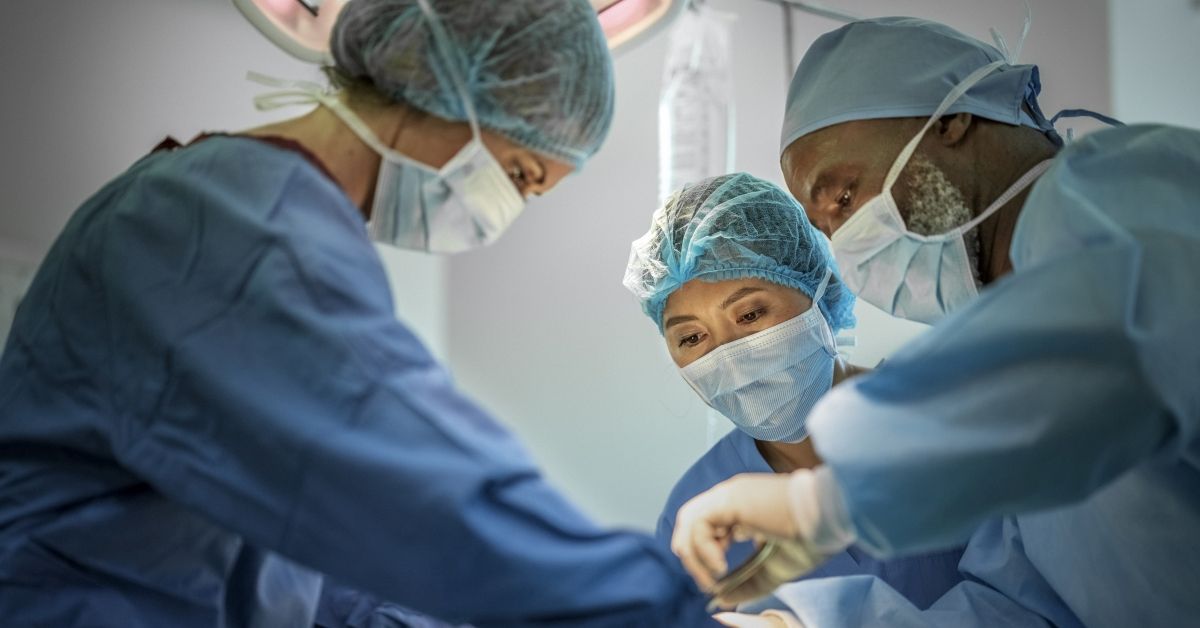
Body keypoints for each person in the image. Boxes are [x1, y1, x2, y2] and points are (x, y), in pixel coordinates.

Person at [0, 1, 720, 626]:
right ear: (445, 83)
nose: (509, 208)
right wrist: (658, 611)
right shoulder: (225, 225)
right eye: (522, 176)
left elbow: (299, 547)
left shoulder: (259, 215)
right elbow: (419, 487)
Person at [669, 16, 1200, 628]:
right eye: (828, 227)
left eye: (843, 196)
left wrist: (820, 500)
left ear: (950, 121)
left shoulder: (1125, 194)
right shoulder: (1010, 337)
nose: (848, 240)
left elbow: (1110, 340)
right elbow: (1025, 602)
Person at [622, 172, 965, 614]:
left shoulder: (945, 415)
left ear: (819, 290)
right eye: (691, 338)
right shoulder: (694, 513)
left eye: (749, 314)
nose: (729, 355)